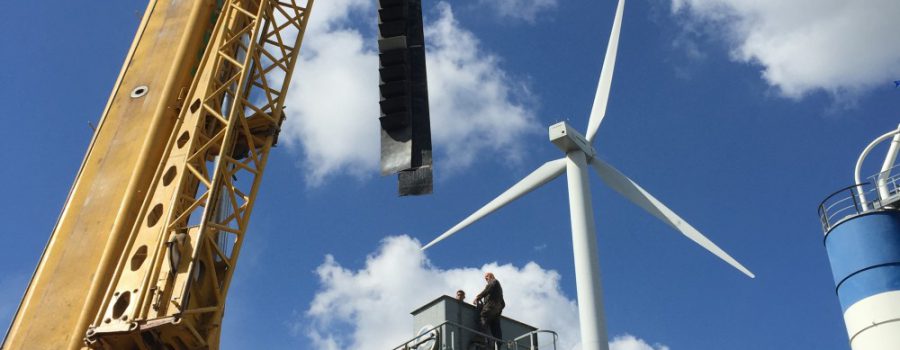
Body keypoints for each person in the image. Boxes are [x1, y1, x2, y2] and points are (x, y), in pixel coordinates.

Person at [475, 272, 505, 341]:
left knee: (483, 317)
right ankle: (498, 343)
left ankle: (480, 337)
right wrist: (499, 309)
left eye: (487, 277)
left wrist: (478, 297)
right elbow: (503, 303)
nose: (486, 279)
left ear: (491, 276)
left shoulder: (493, 281)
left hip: (490, 307)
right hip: (497, 310)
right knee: (495, 326)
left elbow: (488, 289)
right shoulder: (498, 289)